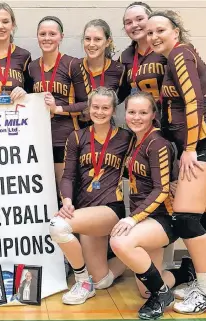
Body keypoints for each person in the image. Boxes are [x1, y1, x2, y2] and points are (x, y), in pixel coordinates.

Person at [146, 10, 206, 314]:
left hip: (202, 144)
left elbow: (193, 101)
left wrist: (189, 147)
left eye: (160, 30)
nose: (154, 37)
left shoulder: (180, 53)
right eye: (150, 32)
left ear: (176, 31)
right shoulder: (182, 55)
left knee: (186, 218)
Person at [49, 87, 133, 305]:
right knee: (102, 280)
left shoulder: (126, 137)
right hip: (85, 210)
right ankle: (127, 257)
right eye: (95, 107)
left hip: (109, 209)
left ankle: (82, 283)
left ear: (114, 110)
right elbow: (67, 176)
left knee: (58, 226)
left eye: (106, 107)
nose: (100, 112)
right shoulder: (77, 137)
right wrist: (66, 201)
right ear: (88, 108)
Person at [110, 92, 178, 319]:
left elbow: (162, 189)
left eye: (143, 112)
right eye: (131, 112)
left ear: (153, 115)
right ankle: (185, 272)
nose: (136, 117)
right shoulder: (135, 139)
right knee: (143, 290)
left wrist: (132, 218)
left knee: (119, 241)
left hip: (162, 219)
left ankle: (162, 294)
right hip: (145, 218)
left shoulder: (157, 143)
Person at [118, 2, 206, 115]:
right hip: (145, 121)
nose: (134, 25)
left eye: (139, 19)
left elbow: (205, 72)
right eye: (128, 22)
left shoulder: (173, 48)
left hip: (176, 119)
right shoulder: (125, 57)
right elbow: (120, 90)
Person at [28, 16, 86, 187]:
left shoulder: (73, 64)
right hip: (39, 138)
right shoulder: (31, 67)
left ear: (61, 36)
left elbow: (86, 103)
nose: (47, 38)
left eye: (52, 34)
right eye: (42, 34)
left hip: (65, 138)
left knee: (64, 192)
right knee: (44, 192)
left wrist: (58, 108)